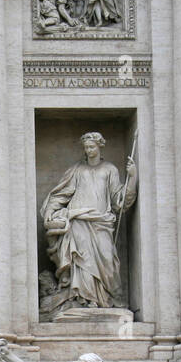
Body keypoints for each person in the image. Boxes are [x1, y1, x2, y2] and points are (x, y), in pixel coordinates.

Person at [40, 131, 136, 309]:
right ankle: (84, 299)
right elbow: (61, 194)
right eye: (86, 148)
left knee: (108, 259)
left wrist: (132, 178)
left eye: (92, 147)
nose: (89, 150)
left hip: (101, 222)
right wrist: (50, 210)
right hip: (79, 221)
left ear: (99, 147)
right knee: (82, 260)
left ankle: (107, 299)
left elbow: (120, 201)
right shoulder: (77, 170)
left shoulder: (110, 170)